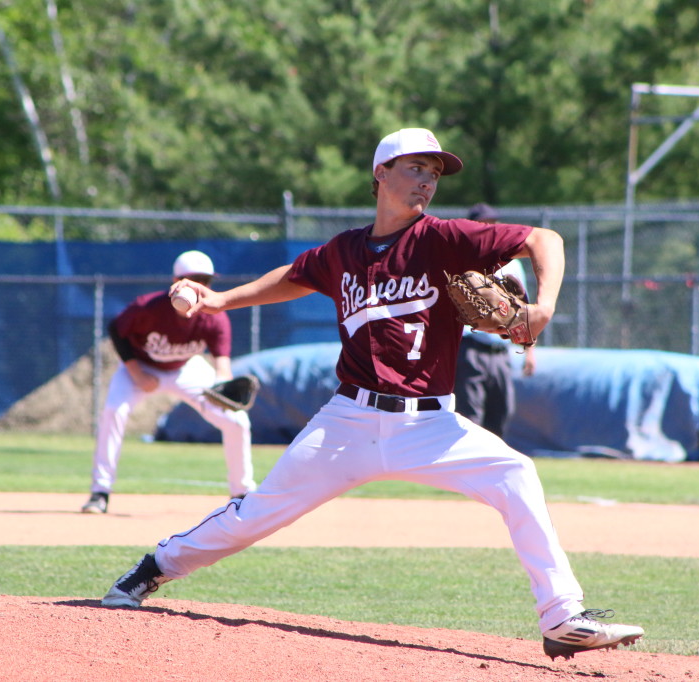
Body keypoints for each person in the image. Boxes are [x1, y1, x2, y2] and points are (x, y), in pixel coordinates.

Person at [100, 128, 643, 660]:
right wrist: (219, 302)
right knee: (258, 513)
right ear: (381, 173)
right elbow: (294, 274)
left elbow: (543, 240)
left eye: (433, 174)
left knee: (516, 474)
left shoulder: (444, 239)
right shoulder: (344, 252)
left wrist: (543, 305)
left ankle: (561, 618)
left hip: (431, 425)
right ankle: (151, 570)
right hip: (349, 421)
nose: (426, 182)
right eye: (415, 168)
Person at [80, 250, 257, 514]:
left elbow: (222, 362)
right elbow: (117, 330)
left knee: (237, 421)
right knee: (113, 411)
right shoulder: (147, 307)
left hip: (187, 369)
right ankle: (100, 492)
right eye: (191, 278)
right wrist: (136, 373)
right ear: (175, 280)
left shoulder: (215, 315)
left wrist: (222, 385)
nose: (198, 285)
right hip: (140, 367)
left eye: (205, 280)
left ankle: (242, 493)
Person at [455, 203, 537, 437]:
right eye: (484, 224)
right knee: (470, 416)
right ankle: (467, 470)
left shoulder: (512, 263)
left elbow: (520, 308)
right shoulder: (460, 260)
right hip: (470, 348)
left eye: (493, 223)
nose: (490, 228)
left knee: (501, 413)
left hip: (501, 351)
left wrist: (528, 348)